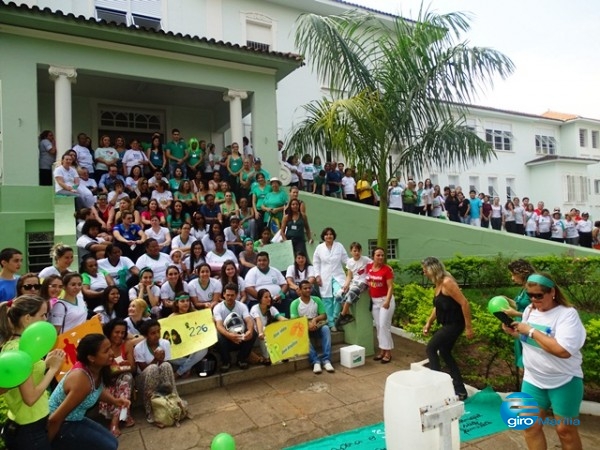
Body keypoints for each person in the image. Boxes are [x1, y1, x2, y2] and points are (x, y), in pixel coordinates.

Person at [502, 273, 586, 450]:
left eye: (538, 295)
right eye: (529, 295)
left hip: (564, 380)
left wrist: (531, 331)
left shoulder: (567, 315)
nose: (533, 299)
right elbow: (529, 339)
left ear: (552, 292)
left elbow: (563, 351)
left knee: (565, 430)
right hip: (533, 379)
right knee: (529, 425)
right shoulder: (529, 311)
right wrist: (515, 333)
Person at [0, 295, 65, 450]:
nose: (46, 320)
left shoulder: (18, 345)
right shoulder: (19, 351)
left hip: (30, 423)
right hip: (29, 428)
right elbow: (30, 398)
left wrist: (46, 364)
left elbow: (27, 378)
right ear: (27, 318)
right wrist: (53, 369)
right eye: (42, 315)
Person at [48, 333, 129, 450]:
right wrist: (45, 445)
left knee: (113, 443)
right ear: (91, 358)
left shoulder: (98, 369)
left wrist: (115, 401)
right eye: (106, 351)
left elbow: (96, 391)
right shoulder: (81, 380)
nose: (111, 353)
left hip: (76, 419)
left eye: (110, 348)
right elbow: (54, 419)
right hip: (62, 424)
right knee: (109, 447)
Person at [422, 257, 474, 400]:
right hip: (447, 324)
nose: (424, 273)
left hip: (455, 324)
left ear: (432, 270)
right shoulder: (438, 283)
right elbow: (437, 307)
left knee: (431, 348)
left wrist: (469, 327)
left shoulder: (447, 282)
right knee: (444, 352)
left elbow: (464, 303)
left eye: (425, 270)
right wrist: (429, 323)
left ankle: (437, 387)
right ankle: (460, 390)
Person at [133, 319, 179, 425]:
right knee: (153, 368)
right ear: (146, 335)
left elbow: (164, 366)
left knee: (166, 365)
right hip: (144, 381)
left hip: (160, 379)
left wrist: (160, 359)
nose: (157, 335)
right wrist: (156, 359)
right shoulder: (139, 348)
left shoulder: (165, 343)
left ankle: (174, 402)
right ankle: (150, 410)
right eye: (153, 333)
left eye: (159, 331)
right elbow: (144, 369)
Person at [100, 319, 135, 437]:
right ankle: (125, 414)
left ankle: (114, 423)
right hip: (106, 379)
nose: (120, 335)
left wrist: (121, 368)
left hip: (123, 379)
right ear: (110, 332)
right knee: (115, 382)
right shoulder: (103, 345)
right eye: (116, 332)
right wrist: (116, 368)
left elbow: (132, 367)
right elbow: (103, 370)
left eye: (122, 332)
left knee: (126, 378)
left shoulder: (127, 344)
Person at [290, 280, 334, 374]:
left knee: (326, 329)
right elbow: (294, 320)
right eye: (305, 288)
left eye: (309, 288)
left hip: (316, 326)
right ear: (300, 290)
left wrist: (315, 320)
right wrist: (307, 324)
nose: (308, 290)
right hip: (303, 328)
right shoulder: (295, 303)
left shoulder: (316, 299)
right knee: (300, 334)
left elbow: (323, 315)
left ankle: (326, 360)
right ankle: (315, 361)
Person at [213, 282, 256, 372]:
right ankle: (226, 362)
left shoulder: (242, 306)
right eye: (227, 295)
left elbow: (248, 320)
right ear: (223, 294)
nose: (230, 297)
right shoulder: (218, 308)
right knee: (218, 335)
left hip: (240, 335)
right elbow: (219, 325)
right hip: (226, 337)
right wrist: (229, 335)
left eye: (232, 295)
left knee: (253, 333)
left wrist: (250, 331)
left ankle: (241, 359)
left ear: (237, 295)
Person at [502, 259, 535, 369]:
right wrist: (507, 300)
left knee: (527, 365)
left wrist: (514, 313)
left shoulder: (533, 289)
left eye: (514, 274)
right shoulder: (523, 288)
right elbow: (520, 305)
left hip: (528, 329)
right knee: (522, 365)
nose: (512, 278)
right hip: (519, 328)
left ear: (522, 273)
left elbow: (536, 313)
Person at [312, 227, 348, 330]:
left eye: (331, 234)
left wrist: (356, 264)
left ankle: (336, 317)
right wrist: (317, 275)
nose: (329, 236)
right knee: (327, 300)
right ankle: (331, 323)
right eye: (326, 234)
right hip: (325, 276)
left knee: (339, 294)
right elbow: (316, 262)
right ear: (324, 236)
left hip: (338, 275)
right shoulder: (319, 248)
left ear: (334, 236)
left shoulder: (339, 246)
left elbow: (346, 259)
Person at [366, 247, 395, 364]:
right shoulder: (368, 267)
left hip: (385, 301)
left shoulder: (387, 270)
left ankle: (388, 352)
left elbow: (390, 287)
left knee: (384, 325)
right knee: (378, 326)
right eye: (378, 255)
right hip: (374, 301)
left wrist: (387, 301)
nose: (380, 257)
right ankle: (382, 350)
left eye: (382, 255)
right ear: (373, 256)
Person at [169, 293, 208, 379]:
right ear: (176, 303)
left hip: (195, 346)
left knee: (204, 350)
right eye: (182, 301)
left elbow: (205, 327)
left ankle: (179, 373)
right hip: (180, 348)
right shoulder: (171, 318)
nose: (186, 303)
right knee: (168, 356)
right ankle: (191, 365)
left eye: (187, 301)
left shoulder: (195, 313)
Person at [336, 242, 371, 328]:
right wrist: (346, 285)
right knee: (339, 294)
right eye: (354, 251)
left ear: (361, 251)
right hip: (354, 282)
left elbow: (375, 266)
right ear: (351, 251)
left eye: (358, 250)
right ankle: (348, 315)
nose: (357, 253)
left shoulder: (366, 260)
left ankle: (342, 315)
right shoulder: (350, 262)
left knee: (351, 293)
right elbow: (349, 276)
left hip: (363, 282)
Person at [249, 289, 287, 365]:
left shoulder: (272, 309)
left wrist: (291, 322)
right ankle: (266, 357)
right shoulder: (255, 308)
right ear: (260, 299)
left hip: (266, 333)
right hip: (255, 335)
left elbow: (281, 318)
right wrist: (260, 333)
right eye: (266, 297)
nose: (269, 299)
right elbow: (258, 321)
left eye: (269, 296)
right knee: (264, 330)